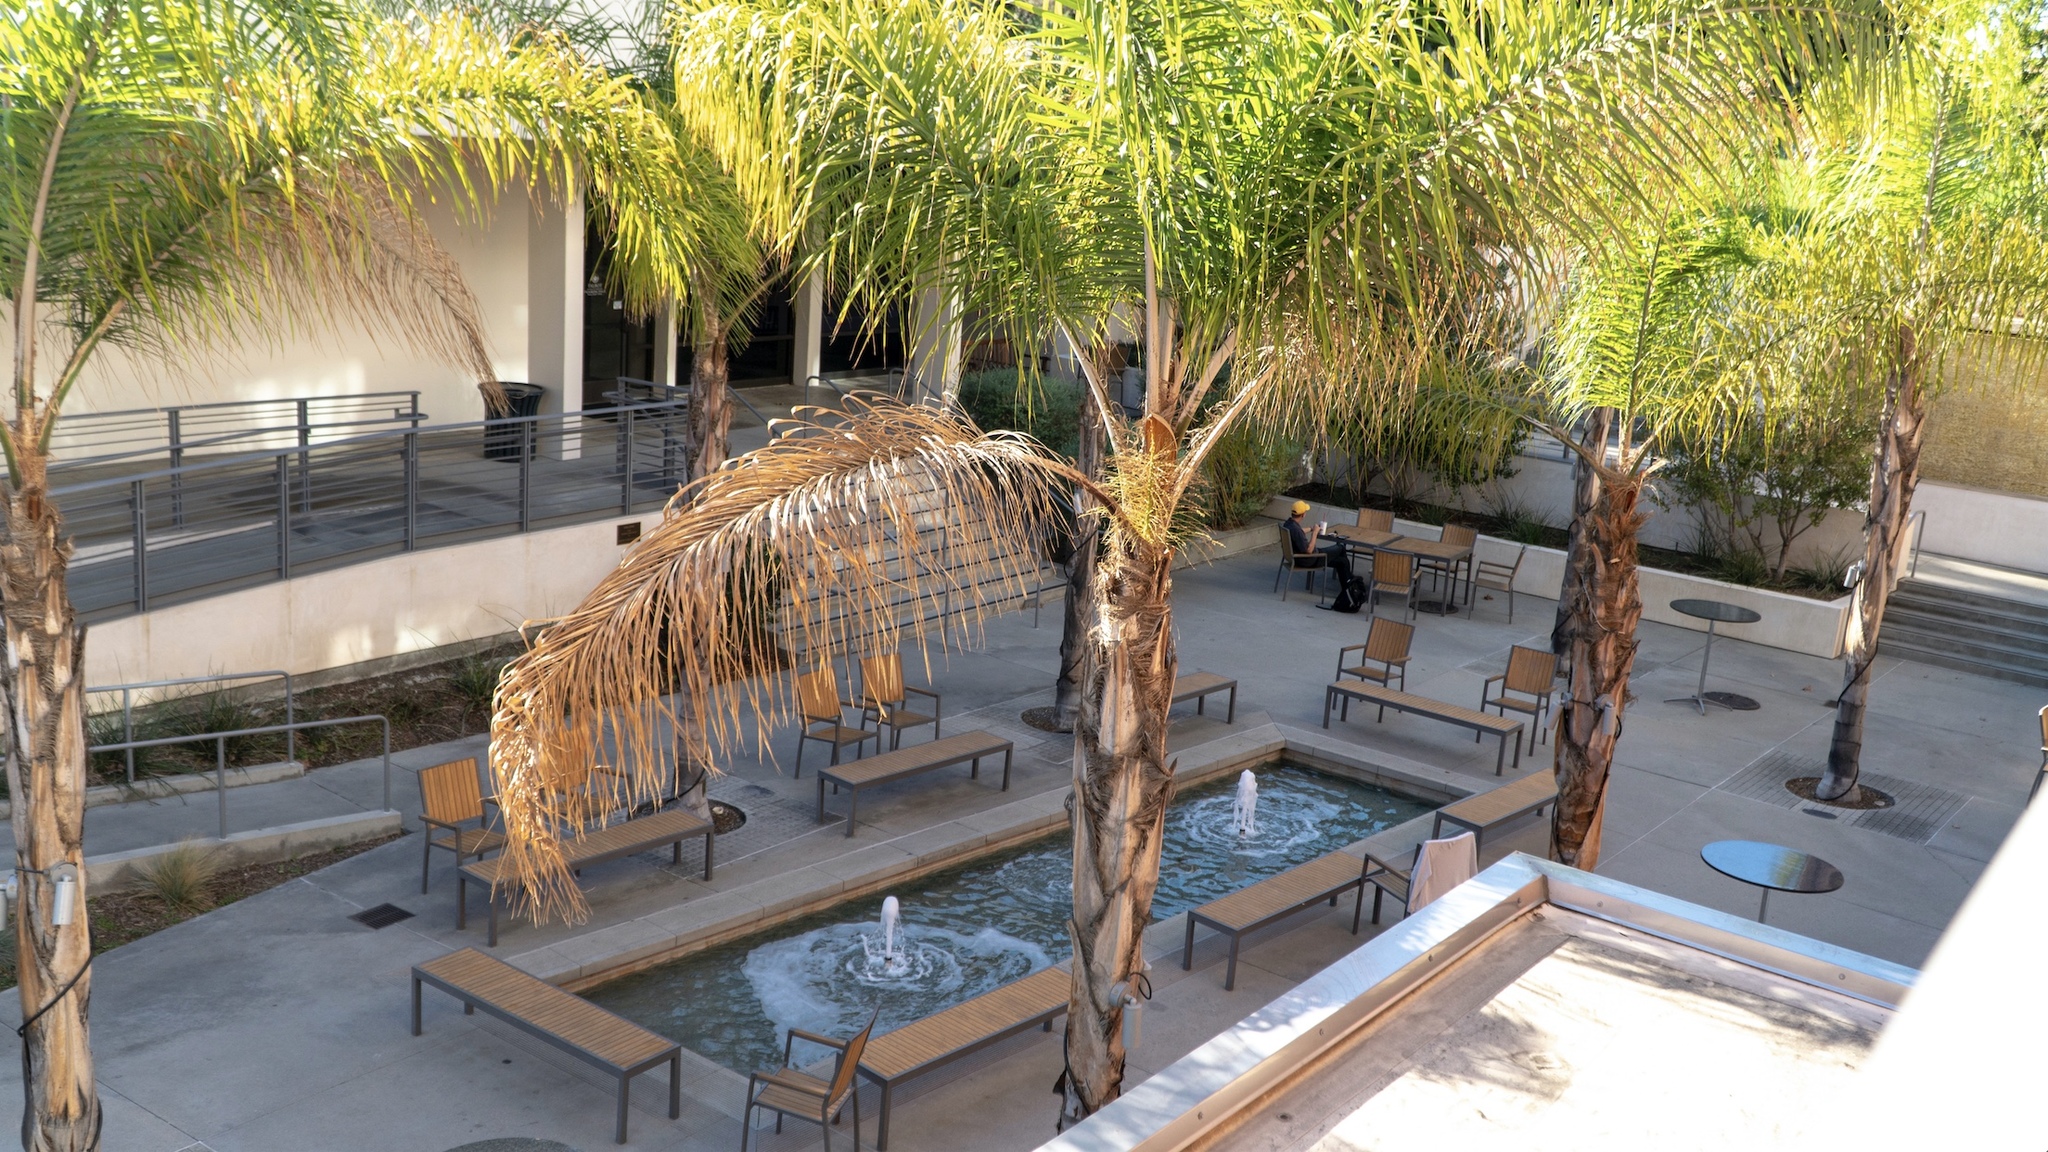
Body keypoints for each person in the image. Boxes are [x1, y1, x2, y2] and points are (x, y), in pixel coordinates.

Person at [1284, 500, 1353, 585]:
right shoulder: (1296, 530)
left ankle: (1348, 583)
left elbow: (1299, 531)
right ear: (1303, 515)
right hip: (1309, 559)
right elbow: (1309, 550)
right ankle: (1348, 584)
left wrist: (1310, 528)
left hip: (1297, 558)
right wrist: (1315, 533)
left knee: (1342, 561)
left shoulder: (1288, 524)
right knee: (1341, 547)